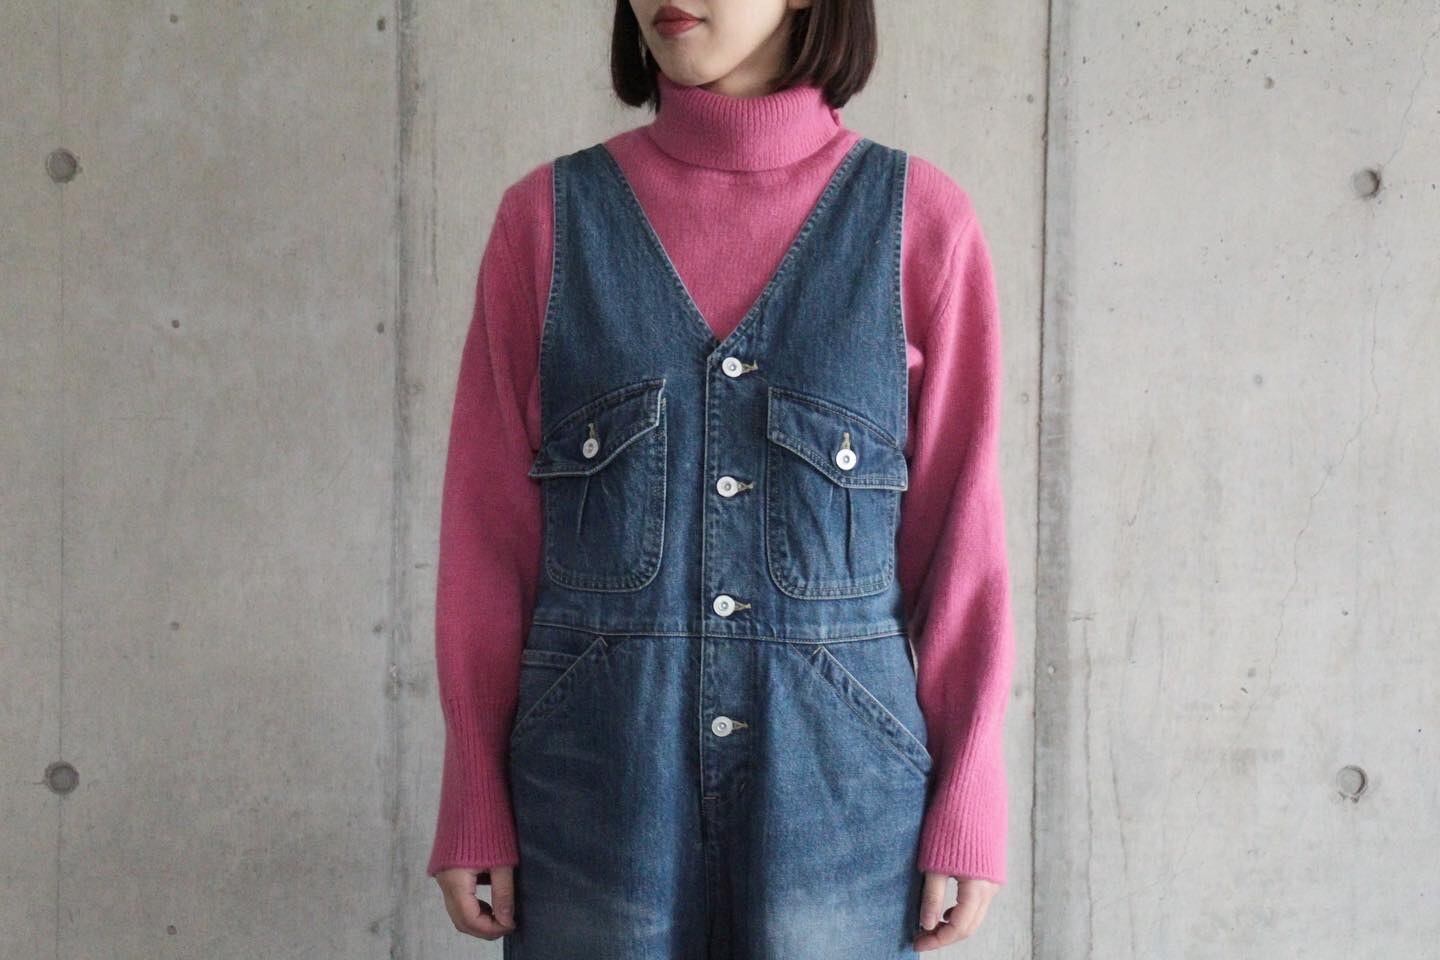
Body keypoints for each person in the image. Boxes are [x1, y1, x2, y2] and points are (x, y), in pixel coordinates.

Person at [428, 1, 1015, 956]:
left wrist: (972, 788)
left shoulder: (921, 223)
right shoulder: (546, 223)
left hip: (842, 812)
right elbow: (486, 540)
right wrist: (472, 790)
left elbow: (964, 543)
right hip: (595, 804)